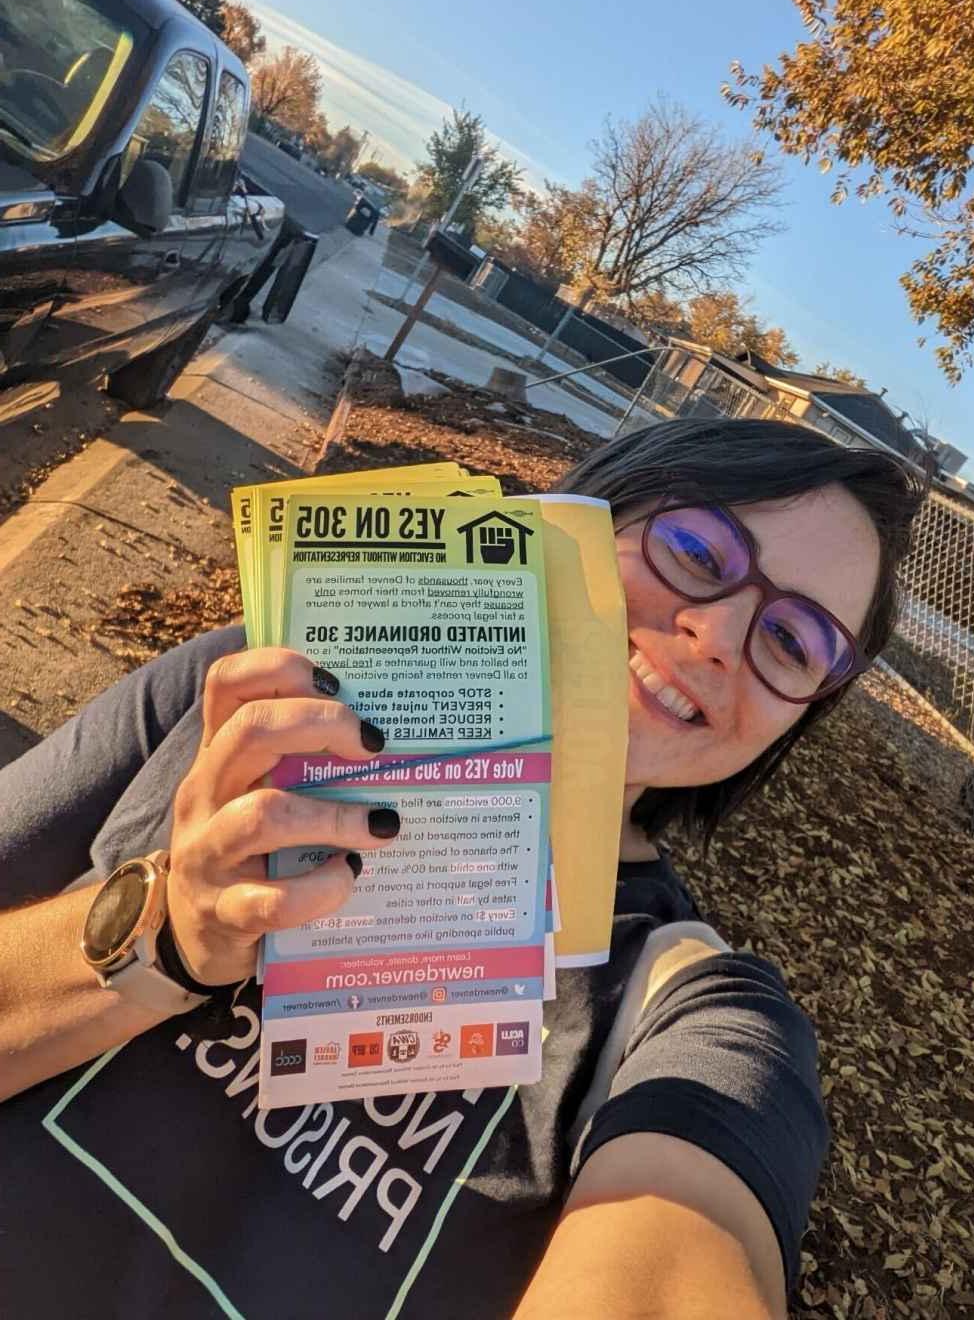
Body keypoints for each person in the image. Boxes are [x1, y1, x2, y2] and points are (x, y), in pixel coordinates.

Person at [0, 417, 924, 1319]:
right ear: (590, 516)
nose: (721, 634)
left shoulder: (691, 1014)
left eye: (797, 644)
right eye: (697, 547)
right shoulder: (265, 698)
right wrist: (162, 939)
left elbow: (682, 1248)